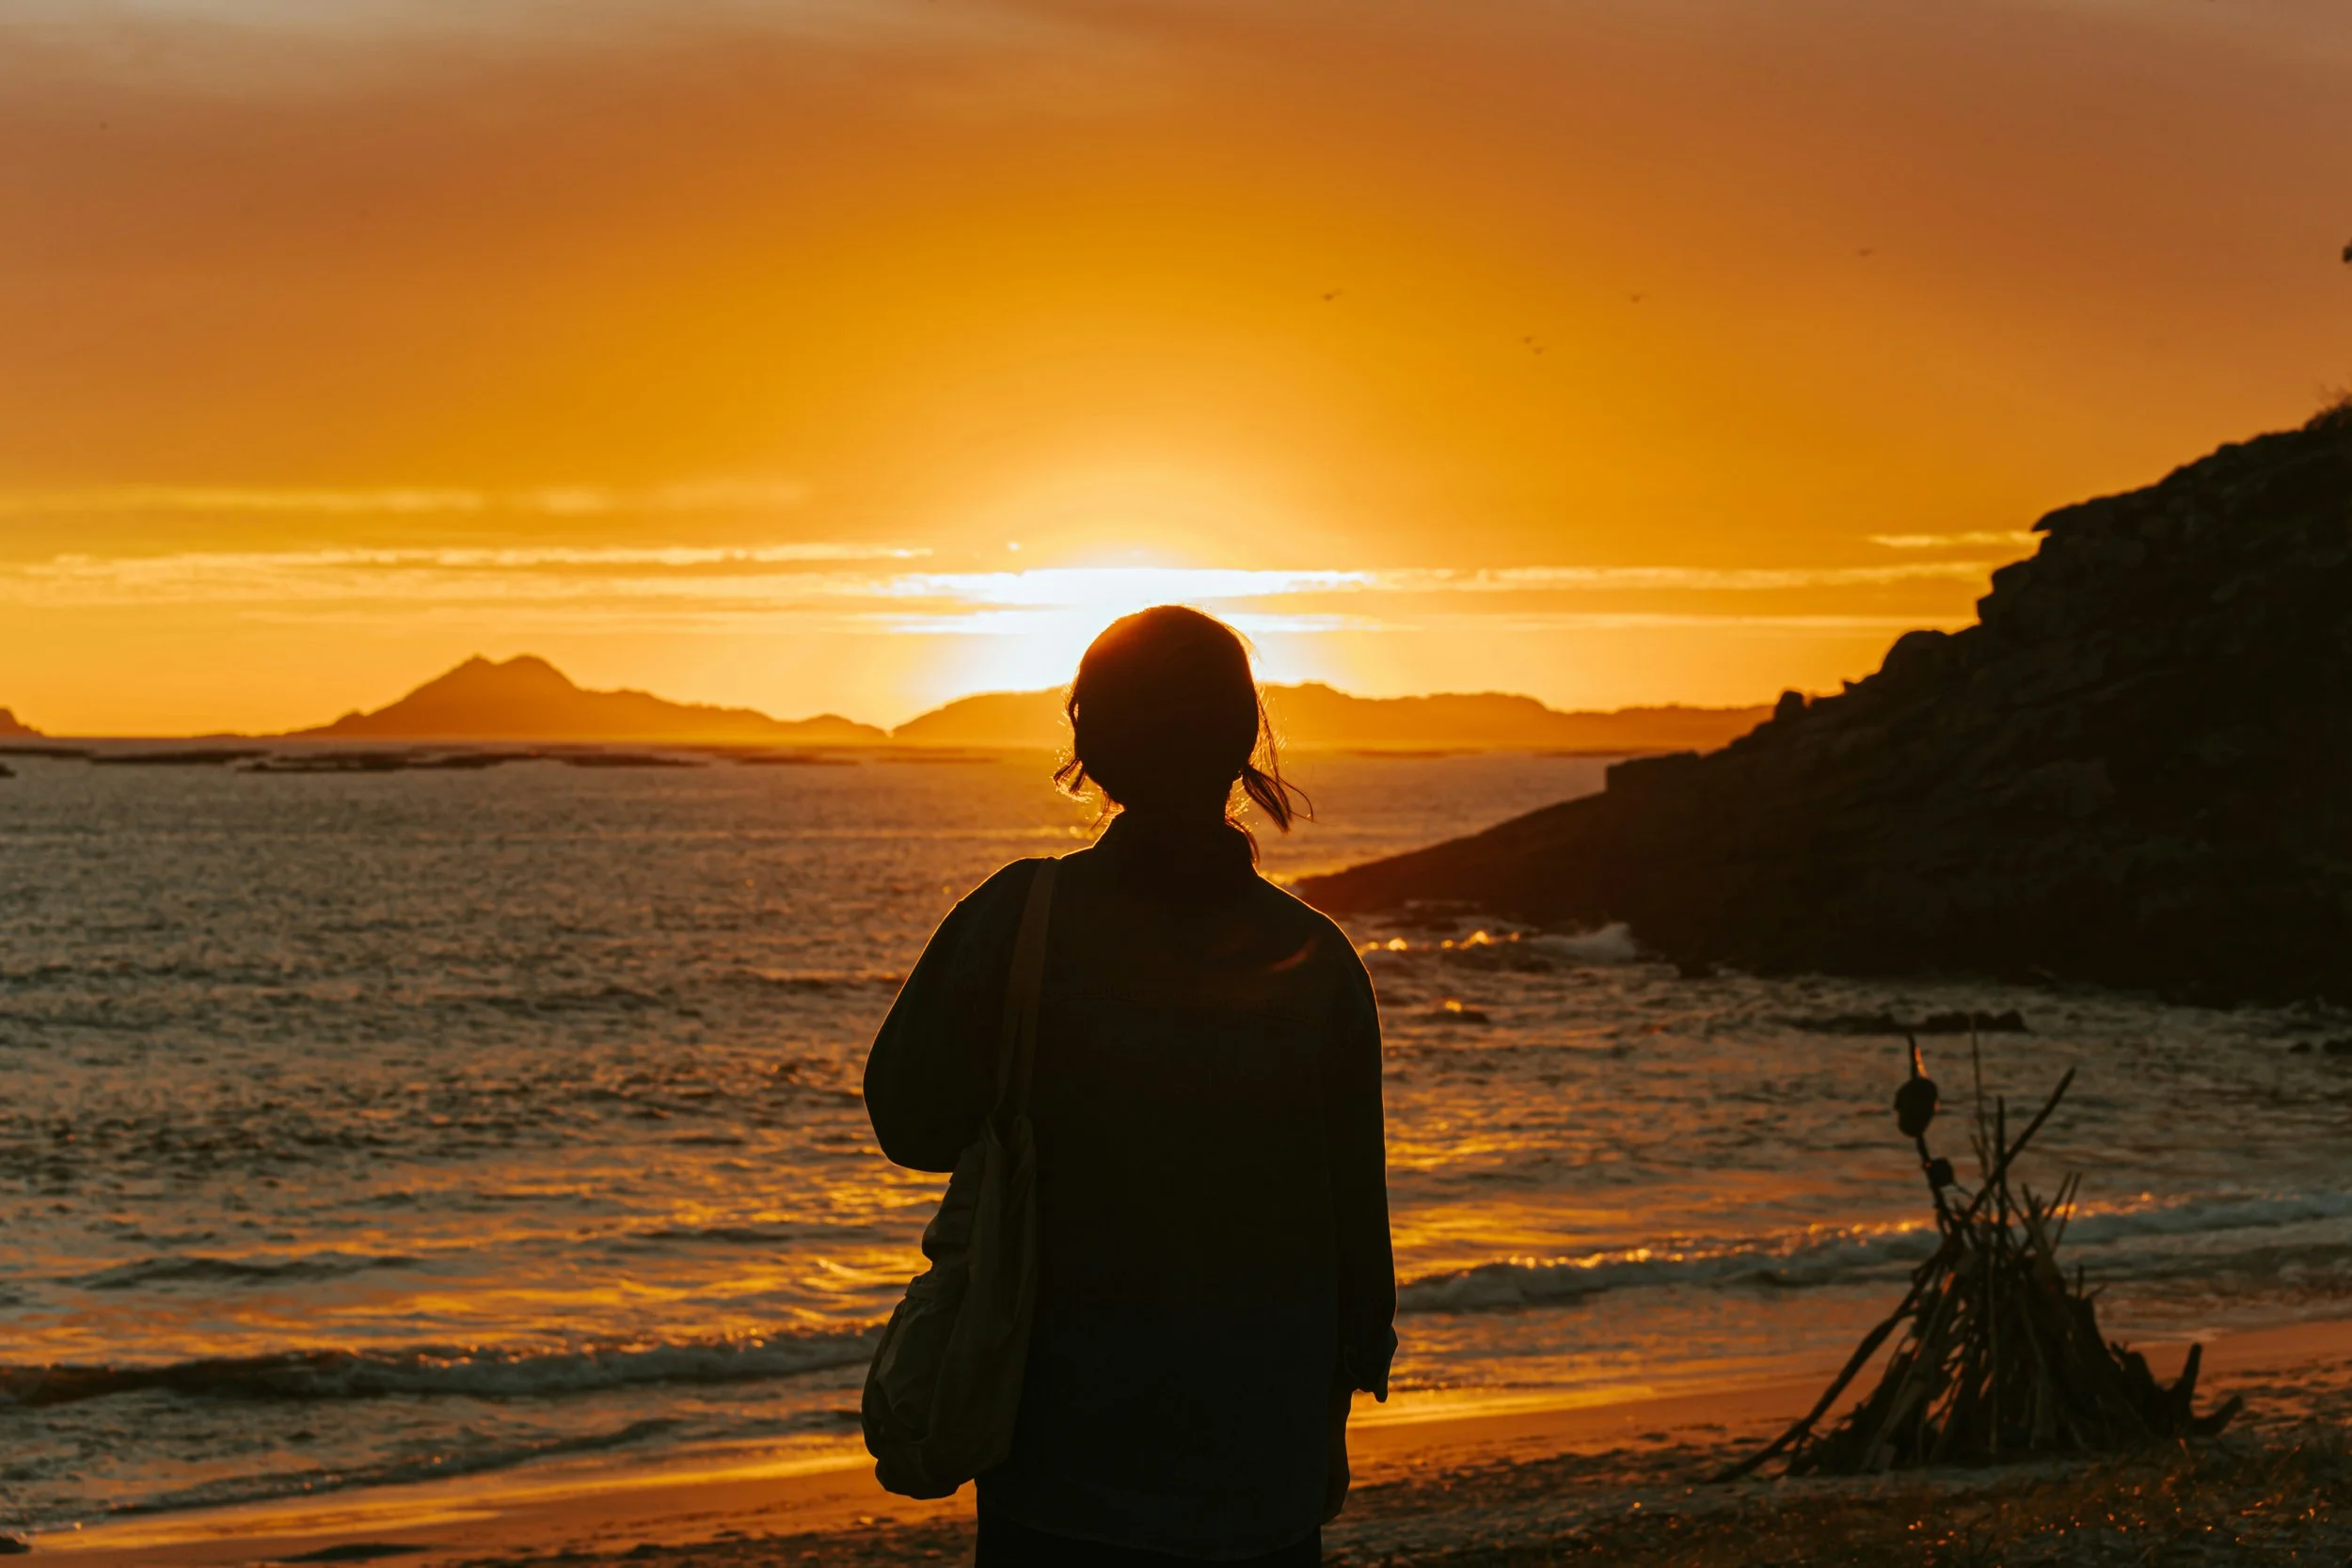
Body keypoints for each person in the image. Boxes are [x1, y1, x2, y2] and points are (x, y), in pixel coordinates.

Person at [864, 605, 1396, 1566]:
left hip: (1063, 1463)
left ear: (1089, 738)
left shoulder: (1018, 919)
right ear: (1240, 741)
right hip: (1259, 1468)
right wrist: (1329, 1421)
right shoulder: (1315, 959)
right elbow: (1357, 1240)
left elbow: (908, 1121)